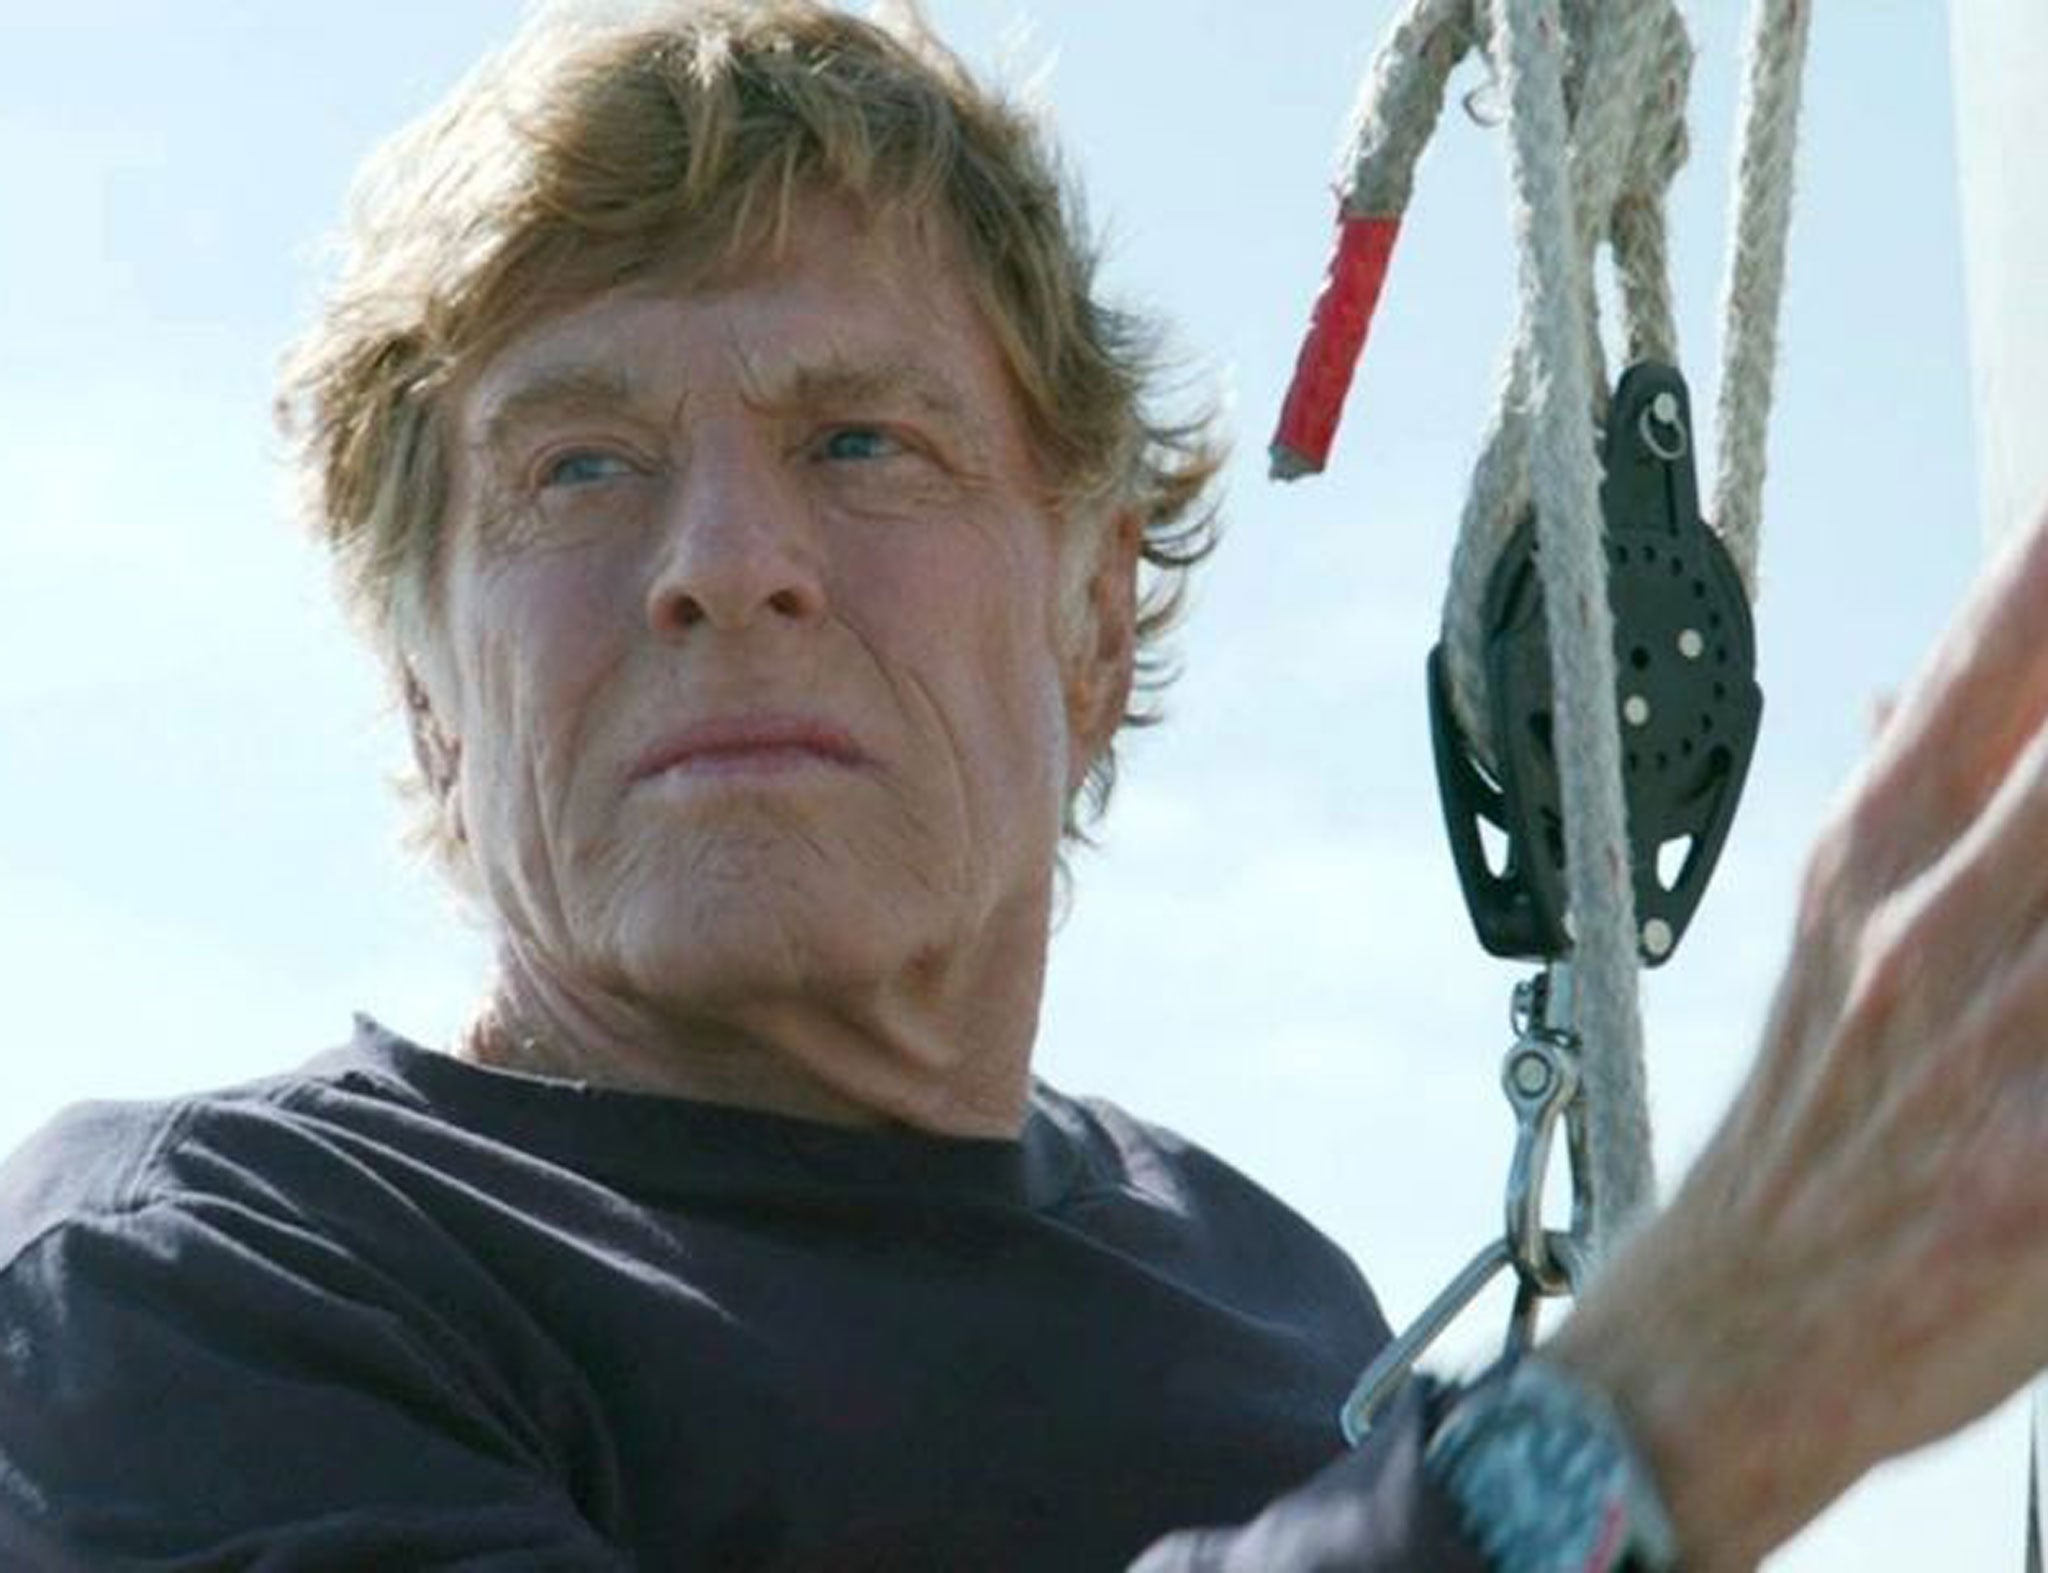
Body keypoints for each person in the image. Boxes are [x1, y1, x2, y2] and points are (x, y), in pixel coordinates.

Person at [1, 3, 2044, 1568]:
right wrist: (1625, 1434)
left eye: (861, 443)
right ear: (430, 693)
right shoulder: (186, 1286)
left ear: (1095, 623)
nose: (727, 560)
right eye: (579, 466)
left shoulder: (1270, 1297)